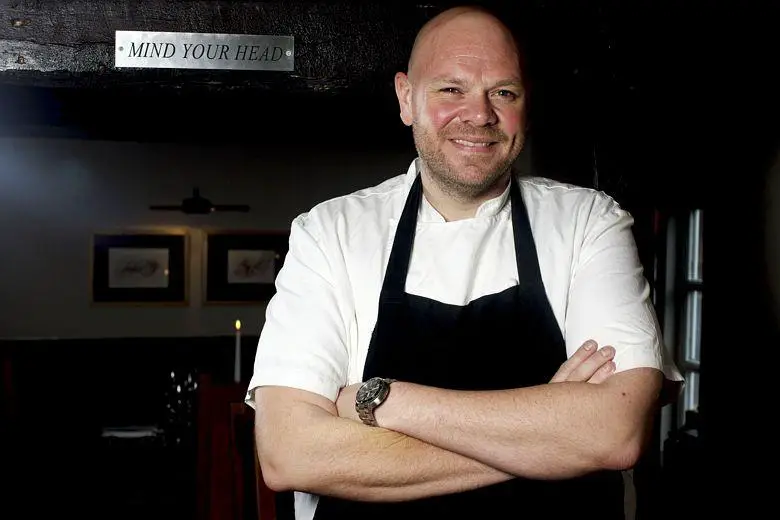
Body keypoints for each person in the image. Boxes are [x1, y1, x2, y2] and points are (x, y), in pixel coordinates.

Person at [246, 5, 682, 519]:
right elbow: (289, 453)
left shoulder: (589, 221)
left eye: (503, 92)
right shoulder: (329, 233)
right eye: (451, 89)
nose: (479, 115)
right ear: (406, 98)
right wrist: (550, 435)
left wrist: (384, 403)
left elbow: (616, 431)